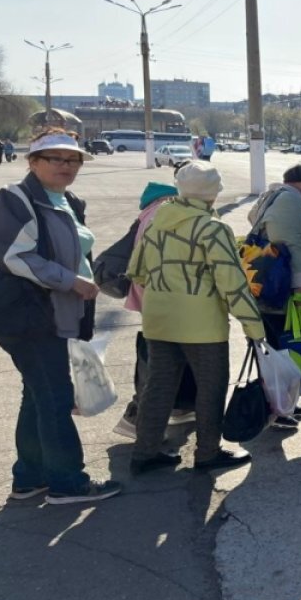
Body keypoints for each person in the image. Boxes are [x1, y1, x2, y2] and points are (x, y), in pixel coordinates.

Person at [0, 128, 121, 504]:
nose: (66, 165)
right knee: (54, 397)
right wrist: (70, 281)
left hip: (53, 313)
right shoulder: (14, 200)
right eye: (55, 158)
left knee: (37, 395)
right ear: (32, 162)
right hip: (28, 314)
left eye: (73, 159)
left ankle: (29, 478)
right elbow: (12, 257)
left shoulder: (67, 201)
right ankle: (68, 482)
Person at [127, 161, 265, 474]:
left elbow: (137, 270)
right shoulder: (212, 229)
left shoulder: (157, 220)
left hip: (159, 319)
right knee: (210, 388)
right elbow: (232, 282)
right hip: (202, 325)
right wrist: (253, 326)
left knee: (158, 388)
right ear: (214, 193)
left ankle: (144, 453)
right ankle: (207, 453)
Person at [247, 162, 301, 430]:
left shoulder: (276, 197)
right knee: (282, 352)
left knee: (278, 349)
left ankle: (282, 403)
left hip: (277, 290)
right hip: (284, 292)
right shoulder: (289, 201)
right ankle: (278, 410)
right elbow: (288, 243)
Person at [111, 180, 197, 439]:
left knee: (168, 359)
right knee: (160, 366)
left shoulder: (150, 213)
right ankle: (136, 418)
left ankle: (180, 407)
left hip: (155, 297)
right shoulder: (164, 213)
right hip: (163, 299)